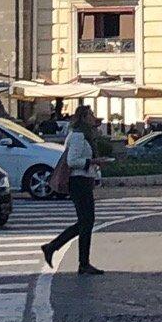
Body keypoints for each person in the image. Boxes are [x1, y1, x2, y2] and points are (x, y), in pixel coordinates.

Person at [40, 107, 105, 275]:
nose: (93, 117)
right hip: (78, 182)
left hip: (84, 180)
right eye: (90, 114)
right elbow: (72, 161)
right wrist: (92, 161)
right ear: (84, 117)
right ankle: (76, 260)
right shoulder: (78, 136)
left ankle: (60, 251)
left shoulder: (85, 135)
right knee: (86, 221)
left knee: (86, 222)